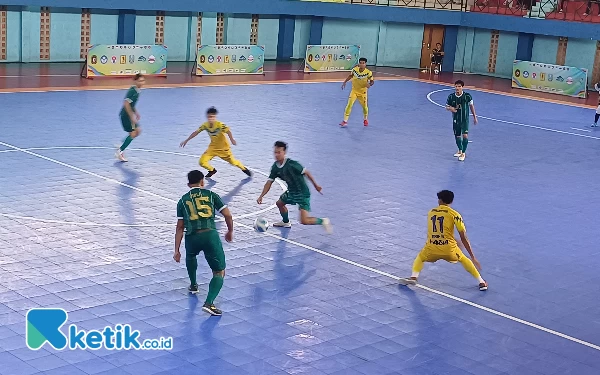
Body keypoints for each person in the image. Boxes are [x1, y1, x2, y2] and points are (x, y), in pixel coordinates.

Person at [400, 190, 488, 291]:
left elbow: (439, 230)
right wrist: (473, 256)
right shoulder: (455, 215)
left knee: (420, 258)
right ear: (451, 201)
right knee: (464, 259)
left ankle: (414, 277)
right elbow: (463, 237)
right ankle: (481, 282)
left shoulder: (431, 212)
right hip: (449, 249)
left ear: (439, 200)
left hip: (432, 248)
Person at [173, 170, 233, 316]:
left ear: (188, 184)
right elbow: (227, 215)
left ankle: (193, 285)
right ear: (202, 182)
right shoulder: (211, 195)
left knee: (191, 257)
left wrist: (176, 250)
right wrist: (230, 231)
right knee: (219, 271)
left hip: (192, 237)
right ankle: (209, 303)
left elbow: (180, 227)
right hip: (209, 235)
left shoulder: (182, 201)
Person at [257, 141, 332, 233]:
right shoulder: (275, 167)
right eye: (275, 152)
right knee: (280, 203)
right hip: (291, 192)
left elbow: (307, 173)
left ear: (284, 153)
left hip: (302, 194)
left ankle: (323, 221)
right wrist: (261, 196)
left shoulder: (292, 164)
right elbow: (269, 183)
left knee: (304, 221)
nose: (276, 155)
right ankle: (286, 222)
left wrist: (316, 186)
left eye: (279, 152)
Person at [180, 107, 252, 179]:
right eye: (209, 117)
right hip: (212, 148)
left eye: (212, 117)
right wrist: (187, 140)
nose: (210, 119)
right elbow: (196, 132)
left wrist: (232, 140)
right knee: (202, 162)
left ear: (215, 117)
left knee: (233, 162)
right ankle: (212, 170)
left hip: (224, 149)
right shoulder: (205, 125)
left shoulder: (220, 125)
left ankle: (244, 168)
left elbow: (228, 131)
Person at [446, 80, 478, 161]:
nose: (457, 88)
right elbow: (447, 106)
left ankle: (463, 153)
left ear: (462, 87)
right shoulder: (451, 97)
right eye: (456, 86)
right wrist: (451, 109)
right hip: (456, 119)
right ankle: (460, 150)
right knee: (457, 136)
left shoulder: (467, 96)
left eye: (459, 86)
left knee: (465, 135)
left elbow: (471, 106)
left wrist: (475, 117)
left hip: (464, 119)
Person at [116, 74, 145, 162]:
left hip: (129, 114)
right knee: (134, 132)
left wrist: (136, 112)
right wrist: (131, 116)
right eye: (140, 81)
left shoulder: (138, 91)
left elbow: (132, 104)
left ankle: (122, 144)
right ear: (135, 81)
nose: (142, 82)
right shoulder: (132, 91)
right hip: (126, 115)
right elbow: (126, 104)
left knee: (137, 131)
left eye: (143, 80)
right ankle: (120, 152)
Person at [340, 57, 374, 127]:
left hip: (362, 93)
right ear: (359, 63)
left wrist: (369, 84)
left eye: (363, 63)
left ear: (365, 64)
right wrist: (345, 82)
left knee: (364, 107)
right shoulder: (355, 70)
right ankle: (345, 121)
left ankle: (365, 119)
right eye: (360, 63)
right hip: (354, 91)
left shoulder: (368, 72)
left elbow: (372, 81)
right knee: (349, 105)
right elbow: (350, 76)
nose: (361, 64)